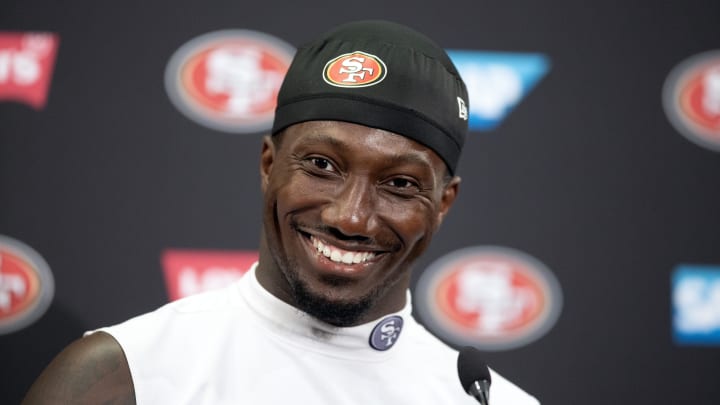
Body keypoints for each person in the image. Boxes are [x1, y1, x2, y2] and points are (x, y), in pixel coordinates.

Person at [23, 20, 540, 404]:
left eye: (400, 183)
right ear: (269, 164)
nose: (351, 217)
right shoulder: (123, 376)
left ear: (443, 203)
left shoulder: (490, 401)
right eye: (321, 164)